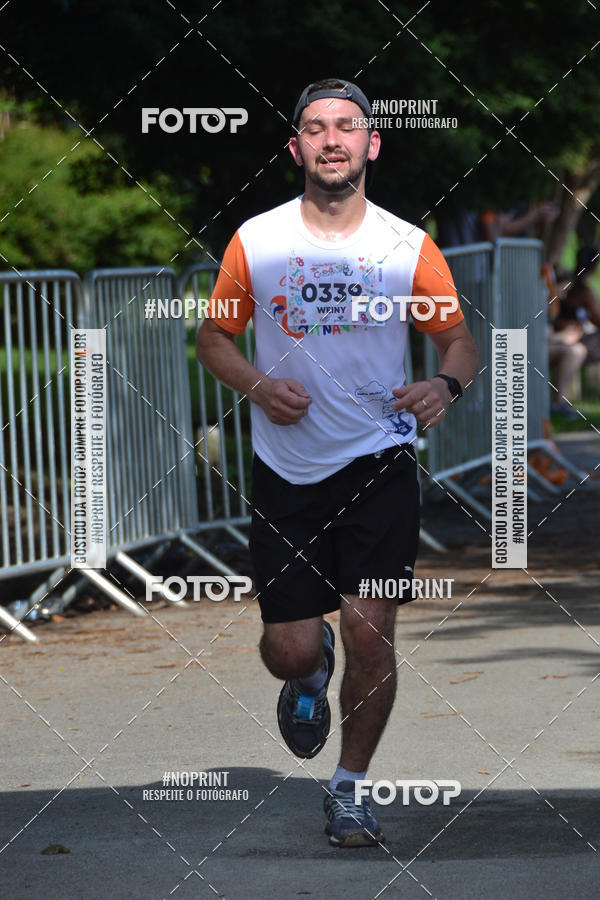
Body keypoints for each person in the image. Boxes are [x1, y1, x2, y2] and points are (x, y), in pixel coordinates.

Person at [196, 78, 478, 847]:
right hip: (285, 468)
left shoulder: (405, 244)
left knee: (371, 630)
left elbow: (459, 341)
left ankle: (349, 789)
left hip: (380, 461)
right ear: (296, 148)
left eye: (346, 127)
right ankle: (308, 670)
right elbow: (213, 339)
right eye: (315, 128)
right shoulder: (258, 240)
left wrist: (442, 383)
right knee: (287, 648)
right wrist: (258, 386)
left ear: (370, 143)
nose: (331, 139)